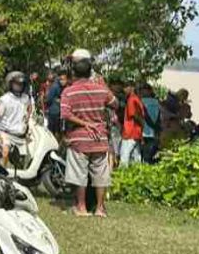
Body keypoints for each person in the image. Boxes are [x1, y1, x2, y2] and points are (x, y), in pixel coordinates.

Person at [61, 49, 117, 218]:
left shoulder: (68, 92)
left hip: (79, 139)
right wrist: (105, 87)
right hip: (99, 138)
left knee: (80, 175)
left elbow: (65, 115)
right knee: (100, 175)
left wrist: (84, 123)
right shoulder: (101, 89)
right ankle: (100, 209)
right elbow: (115, 104)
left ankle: (82, 207)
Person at [0, 71, 33, 167]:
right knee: (5, 152)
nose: (19, 86)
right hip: (5, 133)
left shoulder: (26, 99)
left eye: (21, 84)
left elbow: (30, 113)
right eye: (16, 84)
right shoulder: (4, 100)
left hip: (21, 136)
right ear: (10, 84)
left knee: (28, 159)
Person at [119, 82, 145, 166]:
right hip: (136, 132)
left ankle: (121, 177)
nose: (124, 89)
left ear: (132, 88)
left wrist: (142, 124)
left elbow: (134, 115)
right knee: (136, 157)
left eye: (126, 87)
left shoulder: (131, 99)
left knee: (124, 156)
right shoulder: (137, 98)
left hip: (130, 132)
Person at [140, 84, 162, 163]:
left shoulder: (141, 101)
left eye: (144, 89)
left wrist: (155, 127)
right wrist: (156, 127)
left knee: (145, 156)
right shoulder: (157, 101)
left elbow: (145, 115)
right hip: (147, 132)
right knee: (147, 155)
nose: (143, 91)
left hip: (147, 132)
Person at [45, 69, 67, 135]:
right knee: (52, 130)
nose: (63, 81)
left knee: (59, 129)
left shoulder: (63, 87)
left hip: (60, 112)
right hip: (53, 112)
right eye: (61, 79)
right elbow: (49, 99)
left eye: (64, 79)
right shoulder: (55, 87)